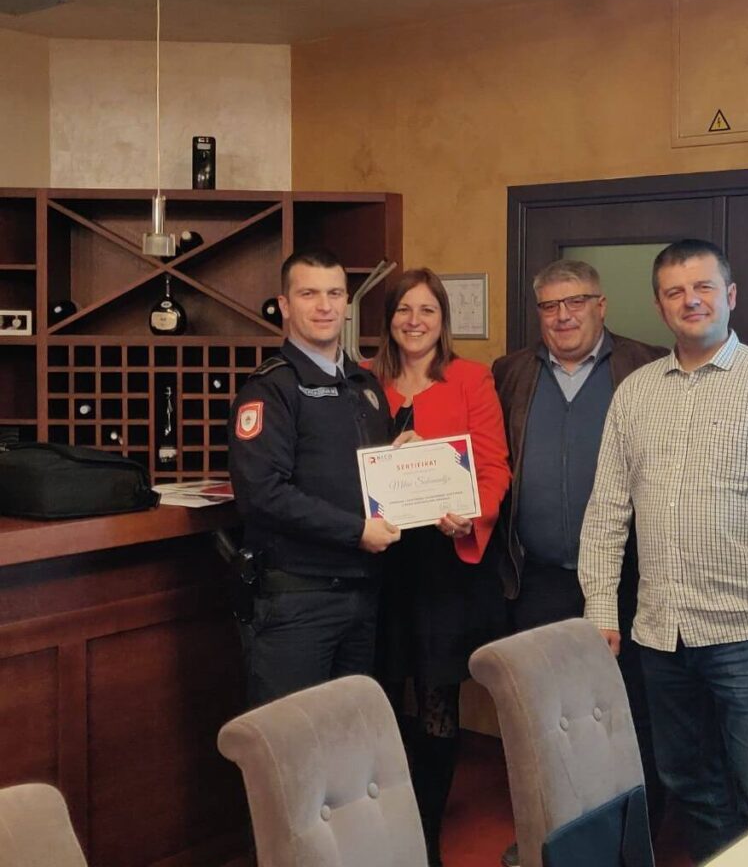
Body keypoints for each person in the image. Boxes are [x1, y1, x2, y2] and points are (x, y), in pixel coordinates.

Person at [579, 239, 748, 863]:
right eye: (675, 291)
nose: (690, 300)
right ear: (659, 306)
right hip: (661, 636)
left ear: (731, 296)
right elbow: (607, 508)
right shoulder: (635, 393)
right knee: (690, 786)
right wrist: (601, 610)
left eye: (703, 287)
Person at [492, 258, 666, 867]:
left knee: (630, 712)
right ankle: (553, 835)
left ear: (601, 305)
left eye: (576, 302)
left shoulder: (644, 365)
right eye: (550, 305)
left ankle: (634, 840)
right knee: (546, 715)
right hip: (536, 577)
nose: (563, 316)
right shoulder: (511, 373)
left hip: (628, 579)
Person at [369, 267, 511, 867]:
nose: (415, 321)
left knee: (435, 701)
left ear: (443, 319)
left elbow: (495, 466)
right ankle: (381, 830)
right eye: (404, 309)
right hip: (377, 565)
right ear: (388, 320)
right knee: (377, 694)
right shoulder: (365, 383)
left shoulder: (471, 379)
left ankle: (426, 836)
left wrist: (471, 514)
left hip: (442, 567)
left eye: (427, 310)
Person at [228, 248, 403, 708]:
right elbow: (262, 494)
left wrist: (401, 460)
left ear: (346, 303)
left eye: (334, 294)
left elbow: (363, 475)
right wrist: (356, 531)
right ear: (285, 305)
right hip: (297, 600)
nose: (324, 306)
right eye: (309, 294)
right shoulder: (271, 387)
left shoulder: (364, 385)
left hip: (363, 594)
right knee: (290, 737)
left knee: (350, 731)